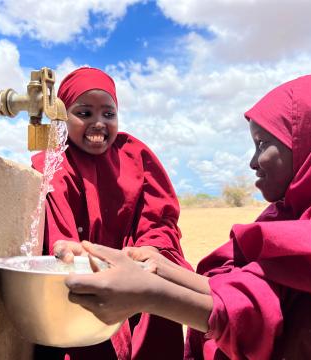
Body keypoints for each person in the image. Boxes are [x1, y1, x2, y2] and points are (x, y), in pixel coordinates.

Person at [64, 72, 311, 359]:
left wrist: (149, 294)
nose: (253, 162)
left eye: (263, 145)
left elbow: (261, 307)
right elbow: (243, 285)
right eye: (83, 112)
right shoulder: (290, 216)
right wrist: (157, 267)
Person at [31, 67, 192, 360]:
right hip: (85, 279)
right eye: (84, 113)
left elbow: (160, 219)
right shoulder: (54, 162)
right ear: (63, 117)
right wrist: (79, 256)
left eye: (108, 114)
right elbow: (59, 233)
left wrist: (150, 252)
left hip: (139, 271)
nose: (98, 124)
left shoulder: (135, 156)